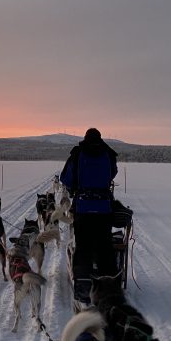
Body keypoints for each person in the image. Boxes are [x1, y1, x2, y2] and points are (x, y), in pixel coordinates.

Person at [60, 127, 118, 305]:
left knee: (83, 248)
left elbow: (66, 178)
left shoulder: (77, 154)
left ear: (85, 138)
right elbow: (113, 172)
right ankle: (109, 292)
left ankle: (84, 290)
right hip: (103, 208)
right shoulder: (108, 153)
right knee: (105, 249)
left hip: (83, 208)